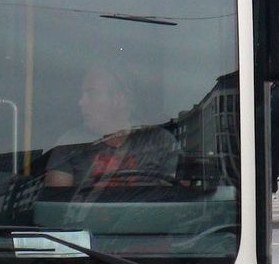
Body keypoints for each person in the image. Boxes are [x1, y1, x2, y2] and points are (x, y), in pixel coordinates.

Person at [43, 64, 178, 189]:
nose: (81, 102)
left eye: (92, 93)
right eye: (82, 94)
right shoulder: (69, 144)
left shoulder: (160, 142)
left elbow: (175, 201)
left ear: (120, 99)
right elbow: (58, 207)